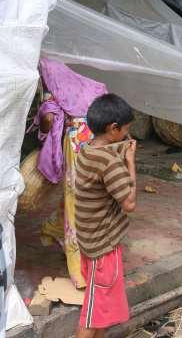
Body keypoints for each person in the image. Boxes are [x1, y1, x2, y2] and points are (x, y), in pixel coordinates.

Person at [33, 59, 107, 289]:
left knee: (76, 201)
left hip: (78, 147)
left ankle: (73, 259)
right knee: (85, 199)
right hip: (98, 147)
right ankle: (73, 259)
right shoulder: (92, 87)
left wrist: (45, 113)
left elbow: (47, 122)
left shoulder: (53, 92)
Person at [74, 94, 136, 338]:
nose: (129, 136)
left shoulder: (87, 150)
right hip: (102, 247)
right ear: (113, 128)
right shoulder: (109, 162)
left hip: (91, 241)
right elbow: (129, 203)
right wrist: (130, 162)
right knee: (91, 315)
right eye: (127, 130)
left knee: (101, 309)